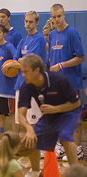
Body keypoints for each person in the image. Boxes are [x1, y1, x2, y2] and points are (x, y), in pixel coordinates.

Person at [18, 53, 81, 176]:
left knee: (65, 135)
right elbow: (21, 114)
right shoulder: (25, 86)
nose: (23, 75)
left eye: (25, 71)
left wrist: (55, 109)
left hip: (69, 112)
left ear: (37, 70)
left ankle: (76, 173)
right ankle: (36, 173)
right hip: (49, 115)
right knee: (32, 138)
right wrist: (29, 129)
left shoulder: (59, 79)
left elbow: (76, 103)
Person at [47, 3, 85, 161]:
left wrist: (62, 65)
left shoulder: (72, 32)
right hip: (56, 84)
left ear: (64, 15)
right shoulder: (51, 35)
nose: (57, 20)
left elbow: (80, 57)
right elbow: (50, 59)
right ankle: (61, 146)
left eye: (59, 16)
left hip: (70, 82)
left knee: (74, 117)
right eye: (54, 17)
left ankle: (78, 148)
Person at [2, 11, 46, 135]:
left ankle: (41, 148)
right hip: (20, 84)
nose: (27, 24)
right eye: (26, 21)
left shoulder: (39, 39)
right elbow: (17, 59)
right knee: (23, 120)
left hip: (33, 85)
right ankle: (30, 149)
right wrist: (18, 61)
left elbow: (30, 62)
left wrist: (14, 63)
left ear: (37, 22)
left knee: (34, 120)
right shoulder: (22, 41)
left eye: (31, 22)